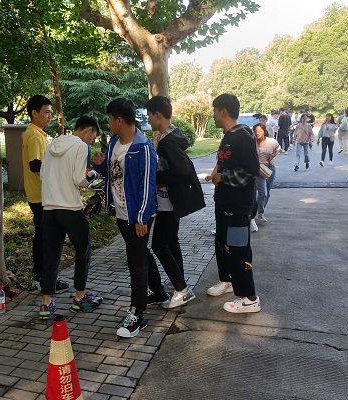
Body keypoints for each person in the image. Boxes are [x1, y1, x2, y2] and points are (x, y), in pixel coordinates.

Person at [92, 98, 157, 337]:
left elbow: (148, 186)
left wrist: (140, 218)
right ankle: (159, 292)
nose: (108, 123)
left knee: (136, 263)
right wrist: (102, 166)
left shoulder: (143, 148)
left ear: (119, 120)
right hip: (121, 213)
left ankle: (137, 314)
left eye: (110, 119)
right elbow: (115, 172)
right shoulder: (114, 142)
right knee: (141, 255)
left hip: (138, 215)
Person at [37, 116, 104, 318]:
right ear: (88, 130)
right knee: (83, 251)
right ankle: (79, 297)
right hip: (70, 209)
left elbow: (42, 174)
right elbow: (79, 179)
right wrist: (94, 174)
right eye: (94, 136)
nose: (92, 141)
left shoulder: (53, 144)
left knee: (50, 255)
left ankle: (46, 303)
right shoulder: (81, 146)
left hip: (49, 208)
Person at [144, 96, 205, 309]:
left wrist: (155, 177)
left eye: (149, 116)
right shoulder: (169, 136)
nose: (148, 120)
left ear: (158, 115)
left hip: (169, 204)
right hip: (169, 202)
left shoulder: (168, 141)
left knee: (158, 245)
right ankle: (178, 282)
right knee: (171, 242)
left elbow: (182, 170)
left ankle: (182, 289)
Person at [204, 93, 261, 314]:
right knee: (222, 244)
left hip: (239, 206)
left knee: (239, 250)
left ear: (223, 111)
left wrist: (223, 177)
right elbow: (224, 162)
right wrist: (215, 174)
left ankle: (249, 298)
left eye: (214, 111)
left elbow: (251, 170)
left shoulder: (243, 136)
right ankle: (226, 280)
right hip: (224, 202)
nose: (213, 115)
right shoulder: (227, 136)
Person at [22, 95, 70, 293]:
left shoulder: (37, 133)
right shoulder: (34, 135)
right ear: (34, 113)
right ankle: (44, 279)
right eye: (47, 112)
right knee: (47, 237)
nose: (50, 116)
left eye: (51, 113)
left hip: (40, 194)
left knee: (43, 235)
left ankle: (41, 276)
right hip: (40, 195)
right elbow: (35, 165)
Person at [254, 123, 280, 223]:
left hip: (270, 168)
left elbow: (278, 148)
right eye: (255, 131)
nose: (257, 133)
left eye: (260, 131)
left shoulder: (271, 141)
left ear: (264, 132)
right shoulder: (252, 142)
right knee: (262, 192)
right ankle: (260, 213)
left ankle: (261, 210)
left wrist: (272, 156)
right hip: (258, 169)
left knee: (267, 192)